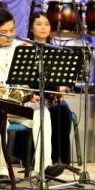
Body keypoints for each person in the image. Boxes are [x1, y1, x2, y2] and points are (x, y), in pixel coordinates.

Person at [0, 8, 54, 177]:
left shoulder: (22, 47)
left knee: (42, 112)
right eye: (4, 32)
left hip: (15, 104)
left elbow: (27, 79)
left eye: (12, 30)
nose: (9, 35)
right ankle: (1, 170)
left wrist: (29, 92)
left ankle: (43, 166)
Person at [29, 11, 75, 168]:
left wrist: (61, 89)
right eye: (38, 24)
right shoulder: (25, 48)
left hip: (52, 95)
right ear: (31, 28)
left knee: (62, 110)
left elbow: (63, 78)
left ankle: (61, 160)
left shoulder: (56, 50)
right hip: (33, 96)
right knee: (48, 111)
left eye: (46, 24)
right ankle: (46, 159)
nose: (43, 27)